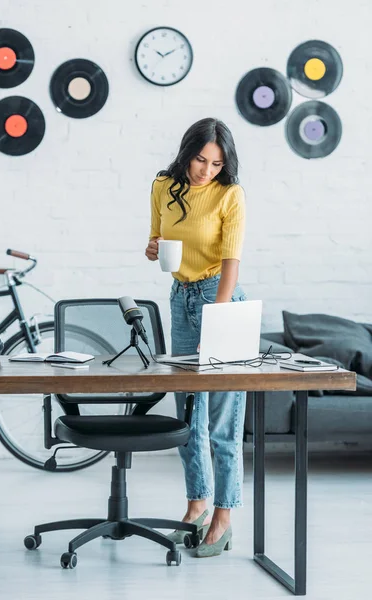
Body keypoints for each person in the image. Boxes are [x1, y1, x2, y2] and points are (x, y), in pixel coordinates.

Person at [145, 117, 247, 558]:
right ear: (187, 152)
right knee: (190, 416)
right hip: (180, 299)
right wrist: (152, 247)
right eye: (201, 160)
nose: (206, 170)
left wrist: (219, 321)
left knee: (222, 421)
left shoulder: (230, 195)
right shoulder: (163, 186)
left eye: (217, 163)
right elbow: (157, 240)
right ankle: (195, 507)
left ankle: (223, 516)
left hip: (219, 298)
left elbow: (231, 263)